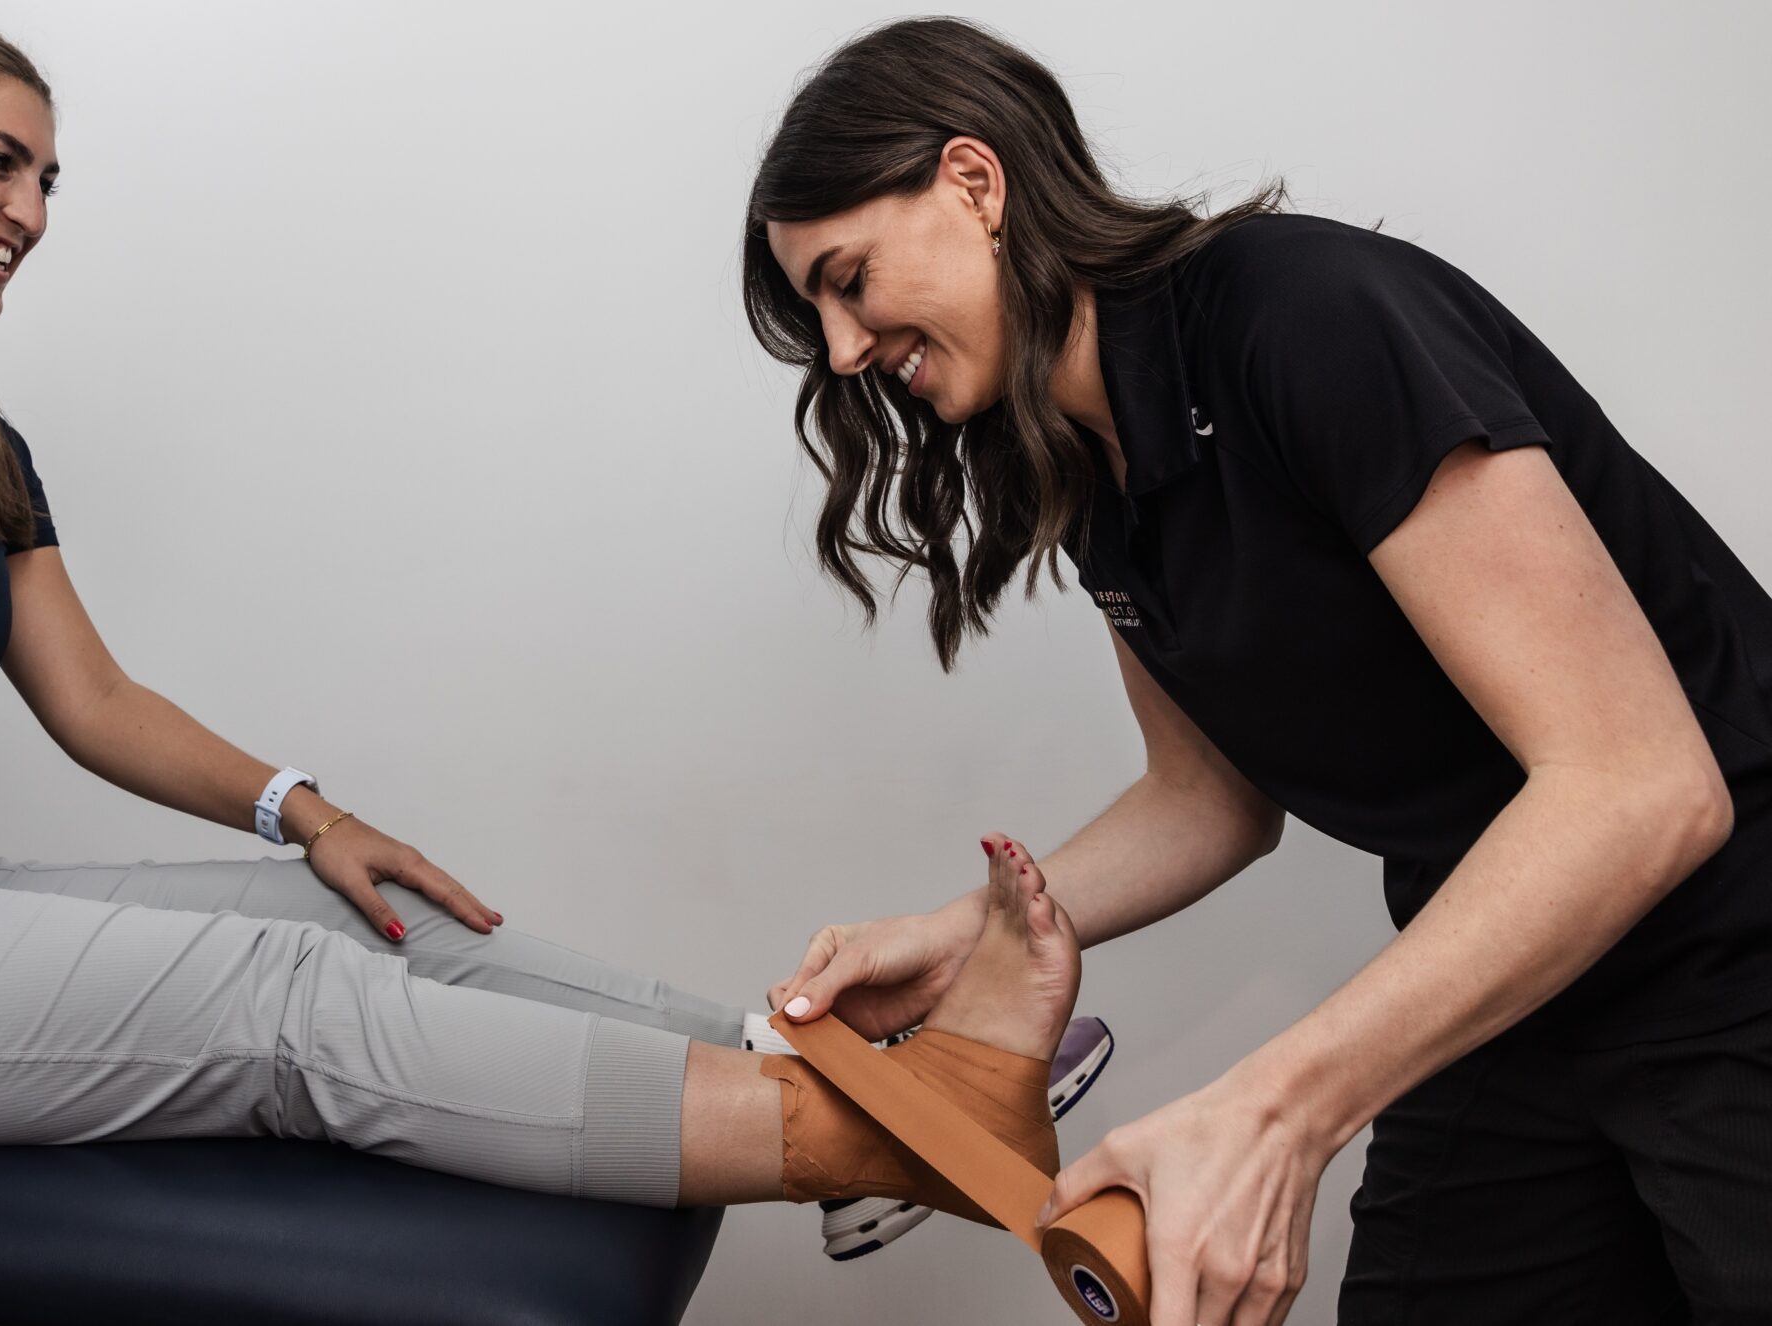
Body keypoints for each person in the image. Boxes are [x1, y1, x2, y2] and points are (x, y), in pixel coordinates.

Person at [0, 14, 1109, 1305]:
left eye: (53, 179)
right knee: (269, 1014)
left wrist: (306, 814)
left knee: (361, 927)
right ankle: (862, 1140)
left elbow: (91, 701)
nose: (31, 209)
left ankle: (859, 1068)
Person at [749, 17, 1772, 1326]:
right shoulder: (1098, 465)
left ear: (973, 181)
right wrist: (957, 938)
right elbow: (1209, 799)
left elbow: (1643, 786)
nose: (842, 351)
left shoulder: (1305, 319)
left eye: (848, 279)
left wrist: (1277, 1108)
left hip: (1732, 941)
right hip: (1523, 976)